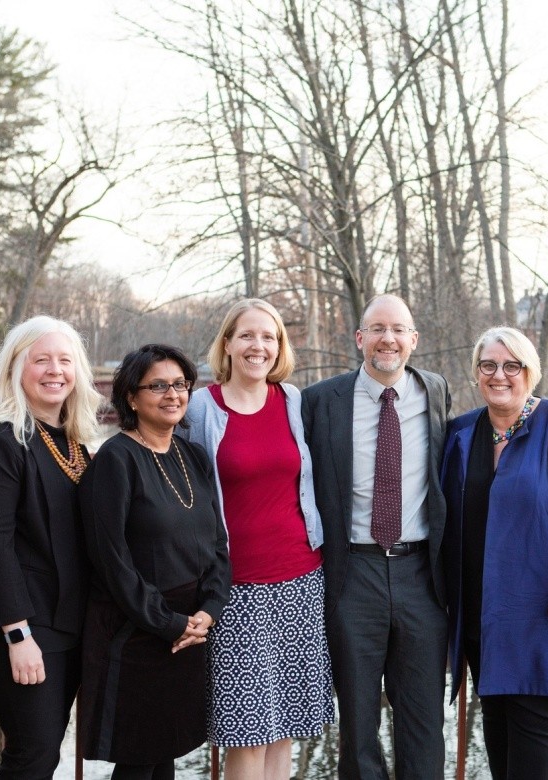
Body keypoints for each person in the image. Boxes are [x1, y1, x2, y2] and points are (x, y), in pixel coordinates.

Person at [440, 326, 548, 780]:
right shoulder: (462, 434)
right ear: (476, 373)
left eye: (511, 366)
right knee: (496, 729)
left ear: (529, 372)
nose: (499, 375)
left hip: (544, 610)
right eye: (488, 365)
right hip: (484, 613)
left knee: (535, 737)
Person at [300, 294, 450, 780]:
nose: (388, 339)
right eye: (377, 329)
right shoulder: (322, 400)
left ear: (413, 340)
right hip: (352, 573)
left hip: (421, 575)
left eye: (399, 329)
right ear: (360, 338)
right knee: (358, 722)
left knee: (424, 720)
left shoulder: (435, 392)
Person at [186, 299, 333, 780]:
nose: (259, 346)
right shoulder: (201, 408)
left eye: (269, 337)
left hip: (301, 579)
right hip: (237, 588)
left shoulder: (291, 400)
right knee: (247, 733)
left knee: (284, 728)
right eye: (247, 335)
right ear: (227, 344)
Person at [79, 344, 232, 780]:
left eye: (180, 384)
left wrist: (208, 612)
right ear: (131, 396)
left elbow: (218, 544)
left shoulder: (193, 456)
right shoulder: (115, 460)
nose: (173, 395)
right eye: (158, 386)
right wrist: (167, 622)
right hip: (137, 634)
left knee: (165, 754)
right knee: (138, 761)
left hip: (190, 630)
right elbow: (111, 560)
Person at [0, 315, 103, 778]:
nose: (54, 370)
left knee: (44, 747)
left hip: (68, 622)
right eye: (41, 359)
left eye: (65, 360)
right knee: (34, 750)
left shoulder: (79, 443)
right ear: (16, 368)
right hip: (19, 627)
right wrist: (17, 635)